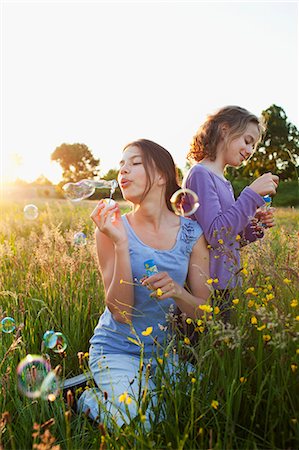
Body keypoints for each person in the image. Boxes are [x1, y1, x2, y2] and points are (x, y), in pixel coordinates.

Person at [78, 139, 210, 429]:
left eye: (134, 163)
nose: (123, 171)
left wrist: (177, 292)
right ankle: (87, 400)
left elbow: (203, 311)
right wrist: (122, 243)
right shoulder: (111, 229)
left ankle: (122, 394)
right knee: (140, 424)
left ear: (162, 175)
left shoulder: (191, 233)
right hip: (115, 349)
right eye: (121, 165)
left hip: (163, 353)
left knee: (203, 402)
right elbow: (121, 313)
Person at [183, 106, 279, 320]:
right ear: (225, 130)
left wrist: (253, 228)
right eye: (247, 140)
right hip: (206, 286)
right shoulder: (201, 174)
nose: (250, 150)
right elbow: (216, 235)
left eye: (253, 145)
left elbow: (228, 238)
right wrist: (251, 195)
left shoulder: (224, 182)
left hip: (226, 283)